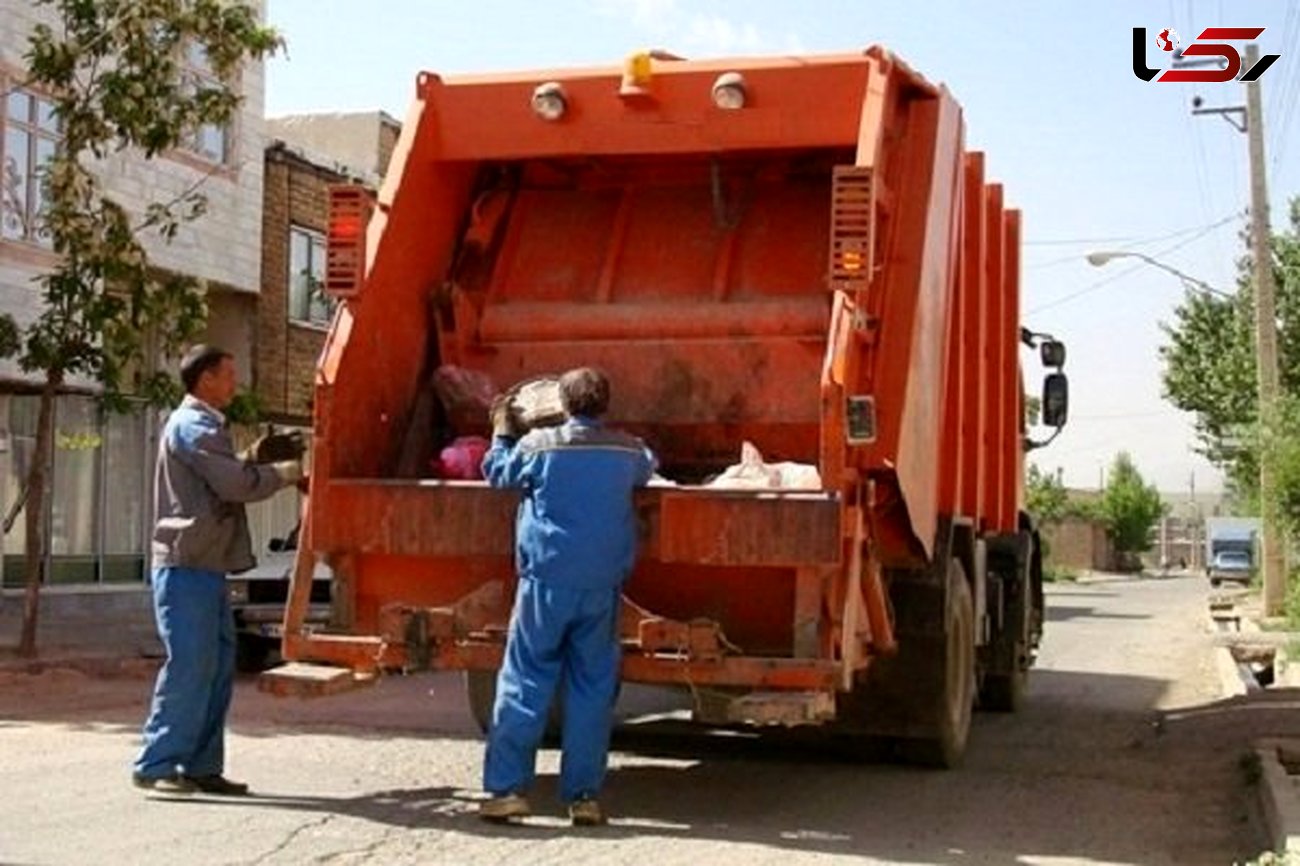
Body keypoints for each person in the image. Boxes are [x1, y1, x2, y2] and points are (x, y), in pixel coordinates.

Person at [479, 367, 656, 826]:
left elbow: (496, 473)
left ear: (561, 405)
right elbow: (650, 466)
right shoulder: (626, 450)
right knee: (592, 689)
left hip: (546, 583)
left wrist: (501, 431)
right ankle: (583, 797)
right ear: (606, 406)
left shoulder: (539, 447)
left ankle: (507, 791)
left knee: (525, 680)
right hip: (601, 587)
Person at [133, 345, 303, 797]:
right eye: (228, 375)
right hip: (187, 566)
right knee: (190, 666)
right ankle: (157, 763)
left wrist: (250, 456)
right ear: (205, 380)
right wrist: (284, 473)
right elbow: (232, 485)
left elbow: (221, 477)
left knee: (215, 667)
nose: (235, 383)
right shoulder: (194, 425)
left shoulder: (205, 427)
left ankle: (201, 766)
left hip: (205, 566)